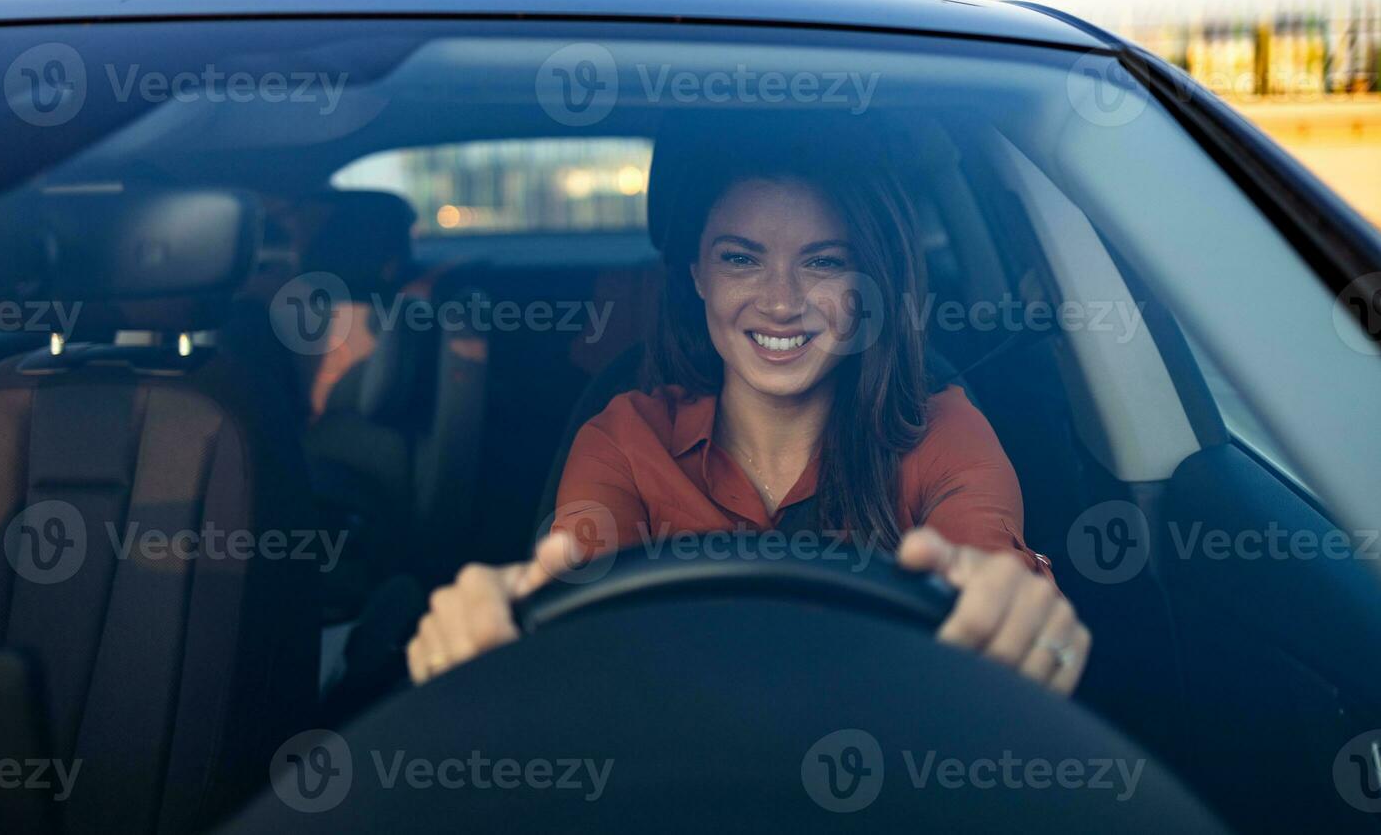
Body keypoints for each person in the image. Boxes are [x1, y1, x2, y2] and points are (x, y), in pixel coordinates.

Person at [406, 115, 1090, 695]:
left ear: (867, 286)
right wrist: (508, 617)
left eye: (823, 263)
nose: (782, 301)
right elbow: (576, 586)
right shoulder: (625, 437)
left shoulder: (942, 429)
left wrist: (1016, 615)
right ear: (698, 275)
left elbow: (991, 565)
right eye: (741, 260)